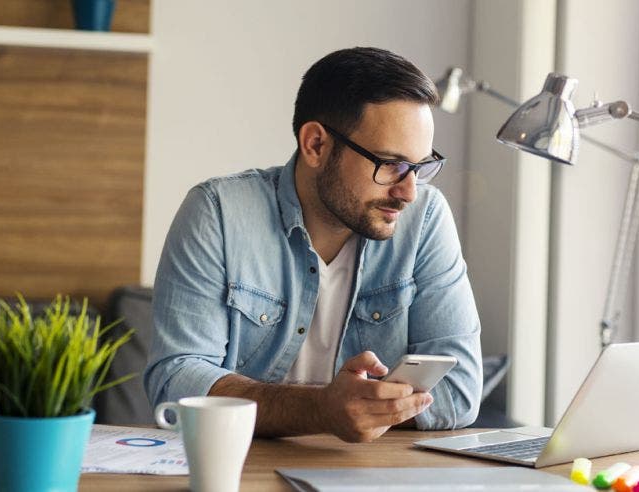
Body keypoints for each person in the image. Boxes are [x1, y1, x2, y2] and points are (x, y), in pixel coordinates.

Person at [144, 47, 482, 443]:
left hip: (371, 474)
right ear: (316, 145)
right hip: (239, 468)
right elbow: (176, 380)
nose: (408, 191)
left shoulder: (424, 219)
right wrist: (322, 410)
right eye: (390, 164)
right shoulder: (218, 212)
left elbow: (459, 391)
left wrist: (353, 410)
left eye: (421, 166)